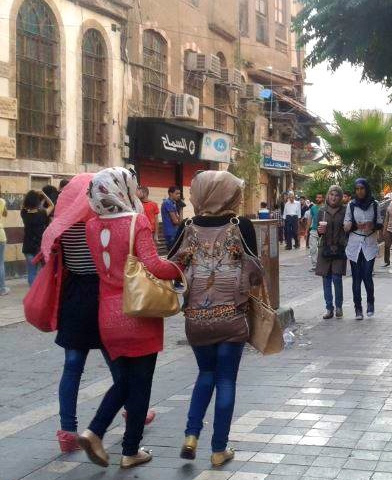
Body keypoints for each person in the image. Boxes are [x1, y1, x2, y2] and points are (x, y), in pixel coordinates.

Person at [78, 168, 182, 470]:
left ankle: (104, 435)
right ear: (123, 189)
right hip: (138, 312)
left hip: (107, 313)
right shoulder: (137, 222)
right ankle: (123, 446)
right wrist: (179, 265)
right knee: (140, 384)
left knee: (124, 380)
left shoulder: (91, 225)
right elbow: (154, 266)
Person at [168, 171, 262, 468]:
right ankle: (219, 449)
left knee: (205, 374)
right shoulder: (241, 225)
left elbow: (172, 267)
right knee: (226, 380)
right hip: (232, 315)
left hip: (196, 317)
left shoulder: (188, 226)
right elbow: (255, 269)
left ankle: (191, 436)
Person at [39, 174, 105, 453]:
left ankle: (67, 431)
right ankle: (132, 410)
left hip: (73, 298)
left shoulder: (60, 228)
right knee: (118, 362)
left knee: (72, 365)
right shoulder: (100, 224)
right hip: (102, 296)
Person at [344, 179, 382, 319]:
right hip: (355, 244)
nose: (359, 191)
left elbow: (379, 223)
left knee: (367, 276)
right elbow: (347, 221)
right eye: (357, 189)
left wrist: (372, 225)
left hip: (369, 243)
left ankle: (370, 303)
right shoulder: (351, 204)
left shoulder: (374, 204)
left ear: (366, 189)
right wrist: (352, 225)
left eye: (362, 188)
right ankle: (358, 309)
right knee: (356, 278)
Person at [316, 185, 347, 319]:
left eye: (337, 195)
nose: (333, 198)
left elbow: (348, 230)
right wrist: (319, 231)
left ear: (340, 197)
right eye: (331, 195)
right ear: (328, 196)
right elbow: (317, 231)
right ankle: (329, 308)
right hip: (325, 249)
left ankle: (339, 307)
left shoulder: (345, 211)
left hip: (339, 249)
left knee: (337, 278)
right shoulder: (322, 211)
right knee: (326, 279)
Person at [21, 189, 54, 285]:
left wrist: (28, 195)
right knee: (45, 272)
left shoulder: (24, 214)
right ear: (37, 202)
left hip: (28, 247)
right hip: (41, 247)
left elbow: (23, 206)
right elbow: (52, 205)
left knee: (32, 273)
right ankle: (42, 295)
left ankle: (33, 297)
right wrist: (43, 194)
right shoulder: (42, 214)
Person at [161, 186, 182, 251]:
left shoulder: (173, 203)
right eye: (177, 193)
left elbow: (179, 219)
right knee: (173, 254)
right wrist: (181, 209)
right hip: (171, 233)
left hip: (173, 232)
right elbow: (175, 221)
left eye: (179, 193)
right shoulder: (168, 203)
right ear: (170, 193)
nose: (179, 195)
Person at [308, 193, 323, 271]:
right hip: (313, 230)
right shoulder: (313, 208)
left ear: (323, 198)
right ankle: (314, 265)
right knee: (313, 248)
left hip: (323, 230)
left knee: (321, 249)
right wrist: (307, 231)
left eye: (320, 197)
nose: (318, 199)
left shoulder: (325, 208)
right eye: (317, 197)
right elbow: (310, 219)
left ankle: (321, 264)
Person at [0, 183, 8, 295]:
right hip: (0, 234)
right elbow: (5, 213)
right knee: (0, 263)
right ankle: (2, 289)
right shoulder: (2, 201)